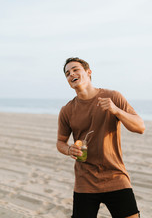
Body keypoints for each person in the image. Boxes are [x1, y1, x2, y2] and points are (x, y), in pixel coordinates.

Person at [56, 57, 145, 218]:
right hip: (85, 182)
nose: (71, 74)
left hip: (116, 176)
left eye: (75, 69)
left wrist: (117, 111)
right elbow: (60, 142)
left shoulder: (113, 97)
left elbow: (140, 127)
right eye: (67, 73)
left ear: (88, 72)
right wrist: (69, 150)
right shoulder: (67, 110)